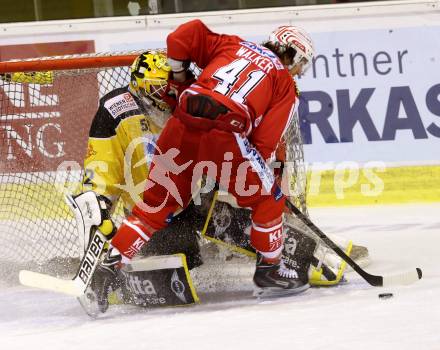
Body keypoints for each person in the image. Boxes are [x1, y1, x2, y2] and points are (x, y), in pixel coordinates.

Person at [91, 19, 318, 303]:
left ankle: (108, 267)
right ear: (293, 55)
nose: (298, 72)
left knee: (155, 205)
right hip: (224, 132)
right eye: (300, 65)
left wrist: (181, 74)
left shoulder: (232, 44)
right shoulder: (284, 83)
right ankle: (270, 272)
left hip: (180, 125)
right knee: (269, 196)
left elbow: (181, 36)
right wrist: (238, 178)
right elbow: (264, 146)